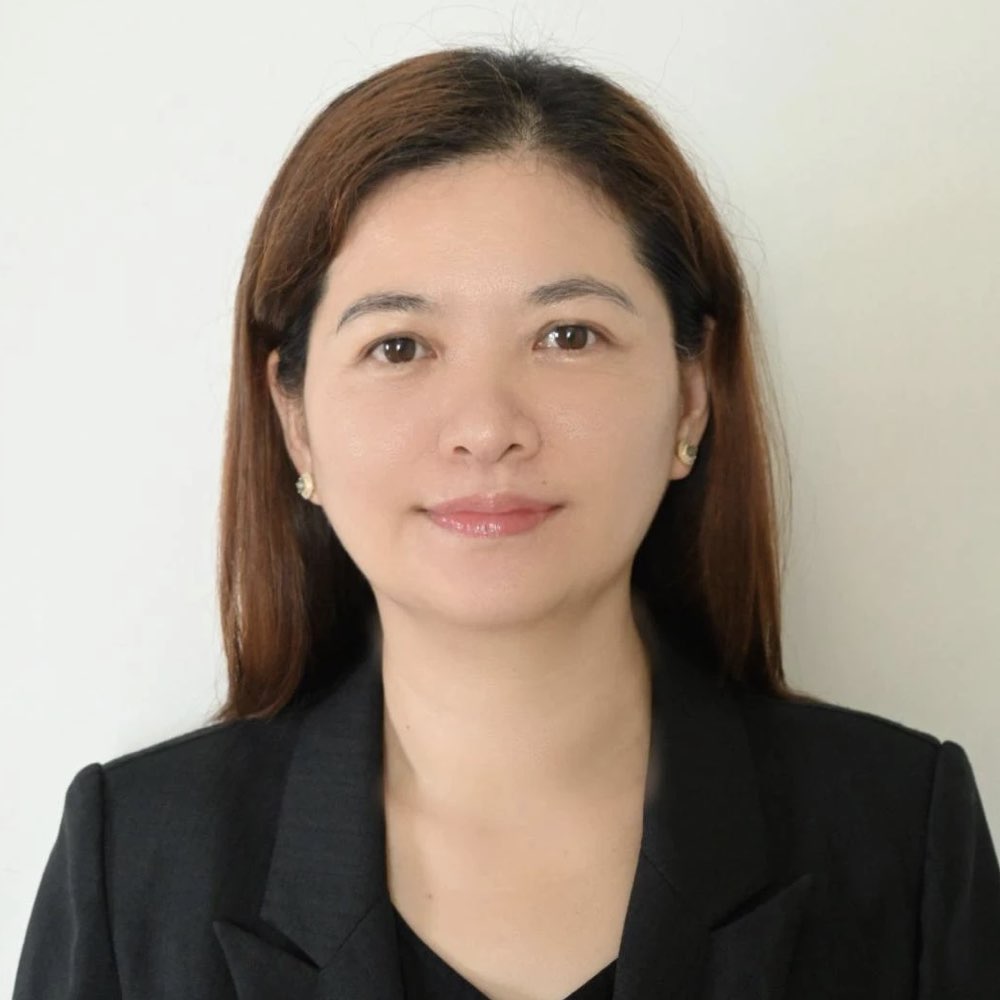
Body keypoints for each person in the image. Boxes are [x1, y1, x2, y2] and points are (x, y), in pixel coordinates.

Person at [13, 45, 1000, 1000]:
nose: (487, 428)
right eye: (400, 346)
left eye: (568, 335)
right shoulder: (134, 862)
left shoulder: (901, 837)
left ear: (692, 396)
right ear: (295, 418)